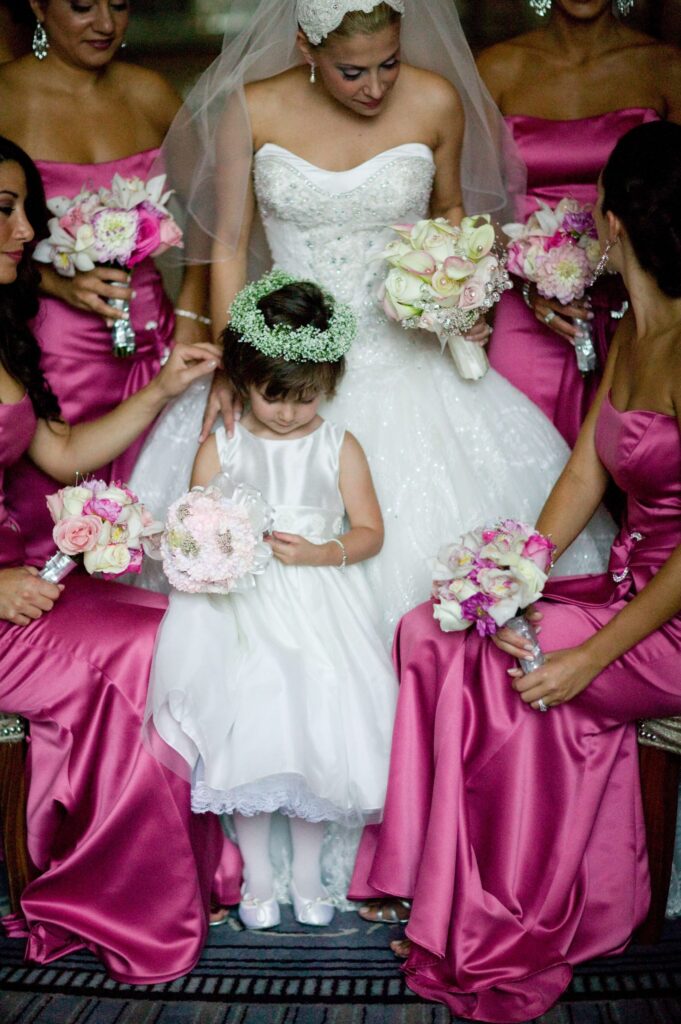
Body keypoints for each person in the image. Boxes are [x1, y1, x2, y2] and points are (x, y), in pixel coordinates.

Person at [130, 0, 614, 647]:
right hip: (284, 354)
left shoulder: (435, 101)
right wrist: (238, 365)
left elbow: (453, 221)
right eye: (352, 72)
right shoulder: (252, 108)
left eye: (388, 63)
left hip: (409, 353)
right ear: (306, 48)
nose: (376, 87)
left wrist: (461, 301)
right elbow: (226, 247)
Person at [349, 120, 681, 1021]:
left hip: (661, 622)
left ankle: (502, 923)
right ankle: (430, 883)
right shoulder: (636, 334)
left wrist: (588, 654)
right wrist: (514, 573)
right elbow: (584, 469)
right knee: (435, 624)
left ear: (608, 224)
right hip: (623, 588)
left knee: (510, 669)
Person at [0, 136, 241, 982]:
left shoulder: (3, 327)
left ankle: (182, 871)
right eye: (5, 210)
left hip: (23, 588)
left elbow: (62, 454)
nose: (28, 229)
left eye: (25, 208)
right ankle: (114, 891)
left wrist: (166, 387)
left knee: (182, 619)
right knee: (135, 649)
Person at [146, 272, 398, 926]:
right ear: (243, 378)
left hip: (319, 607)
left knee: (317, 738)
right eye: (272, 396)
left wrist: (322, 551)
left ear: (330, 385)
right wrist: (210, 550)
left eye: (306, 397)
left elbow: (369, 531)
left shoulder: (337, 446)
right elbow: (191, 524)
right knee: (248, 736)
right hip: (238, 611)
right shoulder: (223, 442)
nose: (288, 412)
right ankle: (259, 878)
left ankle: (311, 880)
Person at [0, 0, 212, 563]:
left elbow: (217, 214)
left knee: (171, 511)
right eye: (82, 6)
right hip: (55, 350)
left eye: (119, 5)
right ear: (39, 6)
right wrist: (49, 279)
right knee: (62, 517)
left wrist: (191, 319)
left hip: (156, 334)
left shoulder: (150, 92)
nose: (105, 24)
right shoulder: (6, 97)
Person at [479, 0, 681, 447]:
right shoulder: (497, 68)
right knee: (518, 456)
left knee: (638, 453)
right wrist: (528, 280)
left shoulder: (666, 66)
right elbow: (479, 205)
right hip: (529, 307)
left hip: (638, 304)